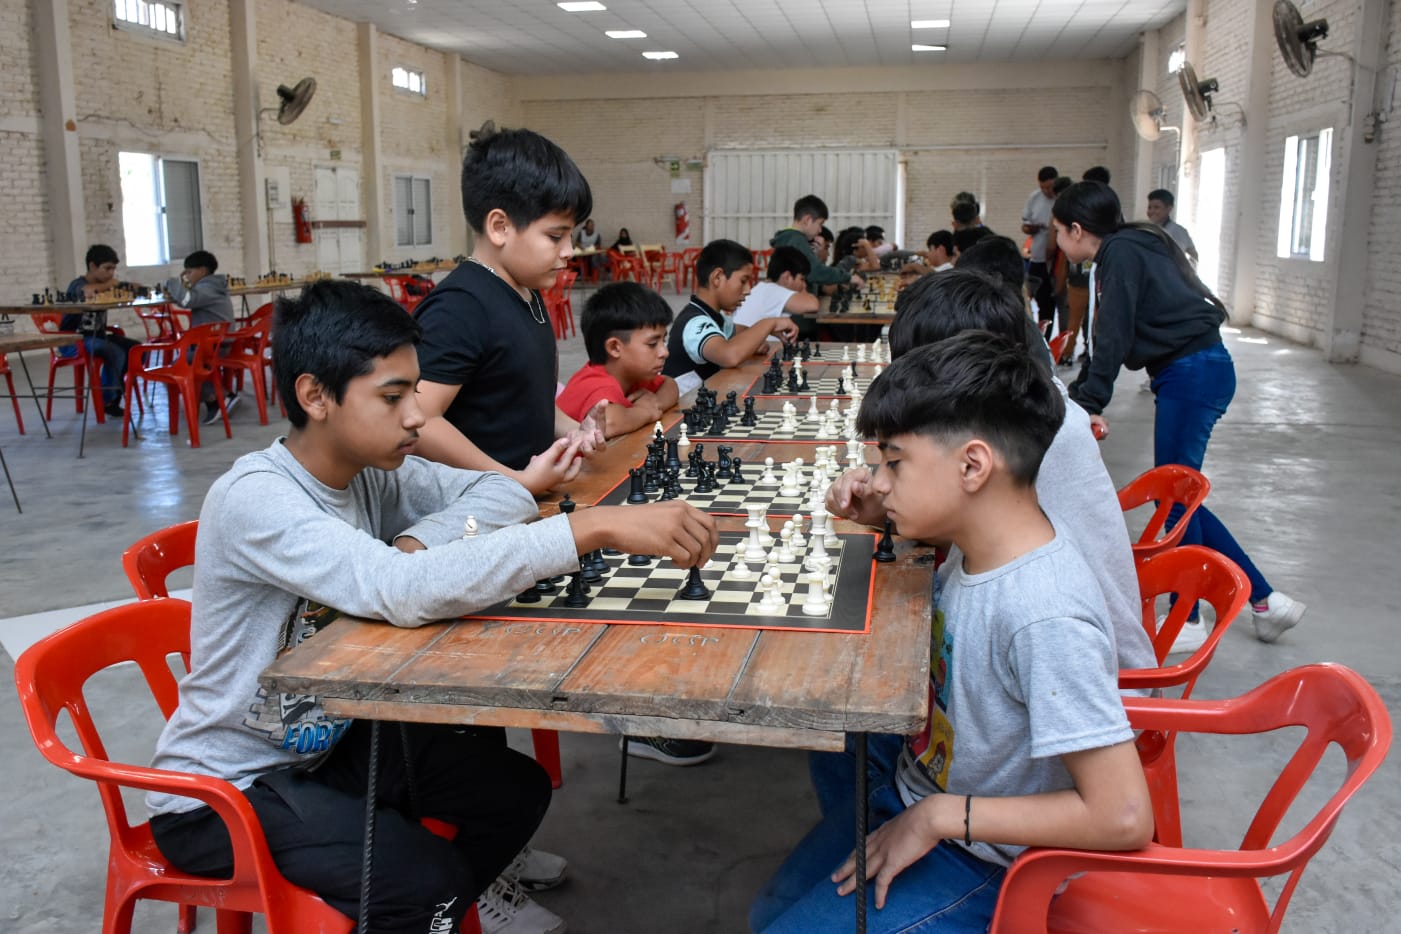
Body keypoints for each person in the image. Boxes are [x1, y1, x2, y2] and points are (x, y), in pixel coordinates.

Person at [146, 279, 719, 934]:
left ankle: (422, 913)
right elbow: (402, 591)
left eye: (414, 391)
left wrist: (416, 542)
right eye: (392, 397)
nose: (416, 416)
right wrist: (587, 530)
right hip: (226, 790)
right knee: (427, 879)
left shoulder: (373, 469)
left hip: (325, 749)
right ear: (314, 395)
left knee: (516, 793)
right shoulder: (258, 498)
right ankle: (421, 905)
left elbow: (497, 493)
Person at [753, 331, 1153, 932]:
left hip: (987, 861)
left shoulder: (1045, 615)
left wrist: (939, 816)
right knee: (768, 914)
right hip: (923, 795)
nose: (879, 481)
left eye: (894, 462)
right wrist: (887, 517)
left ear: (972, 465)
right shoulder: (982, 545)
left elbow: (1123, 816)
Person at [825, 268, 1155, 676]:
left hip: (1095, 672)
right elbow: (962, 517)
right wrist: (881, 507)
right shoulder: (1026, 408)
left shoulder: (1038, 434)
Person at [1052, 180, 1307, 646]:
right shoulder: (1140, 240)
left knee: (1175, 500)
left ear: (1076, 228)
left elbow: (1114, 331)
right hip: (1194, 370)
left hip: (1192, 372)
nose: (1058, 243)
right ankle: (1267, 601)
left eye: (1058, 232)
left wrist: (1088, 400)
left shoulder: (1120, 254)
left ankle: (1188, 617)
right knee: (1179, 498)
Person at [413, 122, 605, 497]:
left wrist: (572, 430)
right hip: (474, 509)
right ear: (500, 226)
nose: (569, 250)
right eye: (555, 236)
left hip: (523, 498)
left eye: (571, 236)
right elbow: (419, 421)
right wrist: (512, 481)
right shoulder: (460, 307)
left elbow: (523, 399)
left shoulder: (525, 292)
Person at [661, 238, 798, 392]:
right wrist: (769, 323)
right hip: (682, 411)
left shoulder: (713, 317)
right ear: (717, 277)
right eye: (743, 281)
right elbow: (729, 355)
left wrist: (758, 337)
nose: (748, 291)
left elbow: (739, 333)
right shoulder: (695, 323)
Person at [556, 281, 678, 438]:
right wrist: (644, 412)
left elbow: (670, 385)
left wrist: (655, 403)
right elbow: (608, 423)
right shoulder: (594, 383)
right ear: (614, 348)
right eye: (652, 344)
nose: (664, 352)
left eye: (664, 341)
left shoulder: (633, 375)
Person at [63, 244, 141, 418]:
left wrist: (130, 287)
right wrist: (110, 284)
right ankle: (107, 400)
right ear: (92, 266)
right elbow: (87, 292)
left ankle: (114, 391)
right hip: (73, 340)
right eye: (107, 268)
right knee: (114, 352)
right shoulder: (77, 284)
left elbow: (132, 287)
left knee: (137, 349)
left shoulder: (105, 284)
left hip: (98, 336)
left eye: (113, 269)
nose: (111, 273)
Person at [163, 250, 239, 425]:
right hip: (214, 343)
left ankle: (219, 398)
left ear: (202, 270)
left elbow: (187, 300)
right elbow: (187, 297)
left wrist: (172, 281)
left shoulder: (208, 287)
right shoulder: (211, 286)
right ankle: (222, 395)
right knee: (190, 359)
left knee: (181, 365)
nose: (187, 276)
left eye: (189, 271)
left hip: (216, 346)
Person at [770, 195, 863, 294]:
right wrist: (848, 277)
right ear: (807, 220)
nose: (820, 230)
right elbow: (815, 272)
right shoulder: (797, 240)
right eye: (820, 224)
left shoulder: (789, 238)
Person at [733, 245, 820, 341]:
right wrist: (803, 291)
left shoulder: (764, 289)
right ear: (787, 277)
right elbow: (812, 304)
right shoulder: (773, 291)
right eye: (802, 279)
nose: (804, 285)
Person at [1021, 165, 1059, 330]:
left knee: (1051, 303)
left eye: (1049, 187)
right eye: (1042, 187)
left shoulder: (1061, 200)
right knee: (1037, 299)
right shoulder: (1034, 198)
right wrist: (1033, 227)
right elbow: (1024, 226)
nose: (1046, 191)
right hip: (1037, 258)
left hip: (1056, 260)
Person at [1146, 189, 1199, 265]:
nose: (1151, 211)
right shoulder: (1146, 229)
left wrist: (1188, 272)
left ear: (1169, 208)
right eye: (1149, 208)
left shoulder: (1178, 231)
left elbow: (1193, 255)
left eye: (1156, 207)